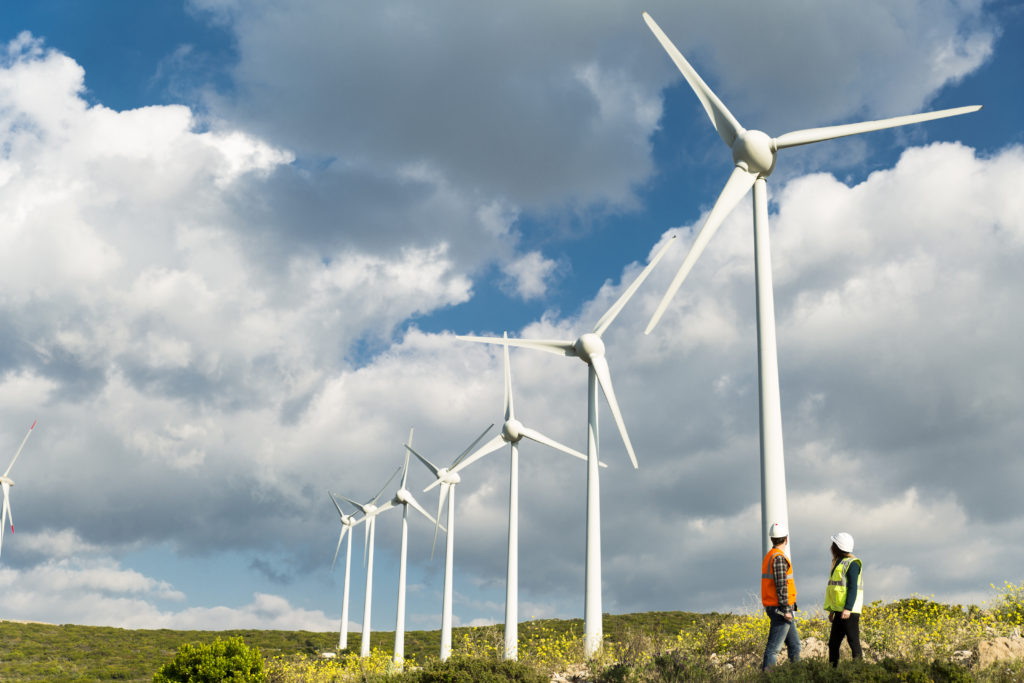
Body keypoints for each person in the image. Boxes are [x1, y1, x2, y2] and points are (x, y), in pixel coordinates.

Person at [761, 521, 800, 671]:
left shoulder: (770, 556)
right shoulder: (778, 558)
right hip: (781, 609)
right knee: (773, 649)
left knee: (795, 645)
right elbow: (781, 585)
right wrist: (785, 609)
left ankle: (797, 676)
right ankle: (768, 678)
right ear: (786, 538)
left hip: (778, 607)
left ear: (771, 538)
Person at [824, 532, 863, 667]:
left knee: (853, 642)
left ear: (837, 547)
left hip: (849, 611)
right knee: (833, 644)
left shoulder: (852, 564)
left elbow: (852, 588)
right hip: (839, 610)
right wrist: (831, 611)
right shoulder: (839, 562)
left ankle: (859, 672)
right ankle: (832, 673)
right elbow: (835, 590)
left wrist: (847, 608)